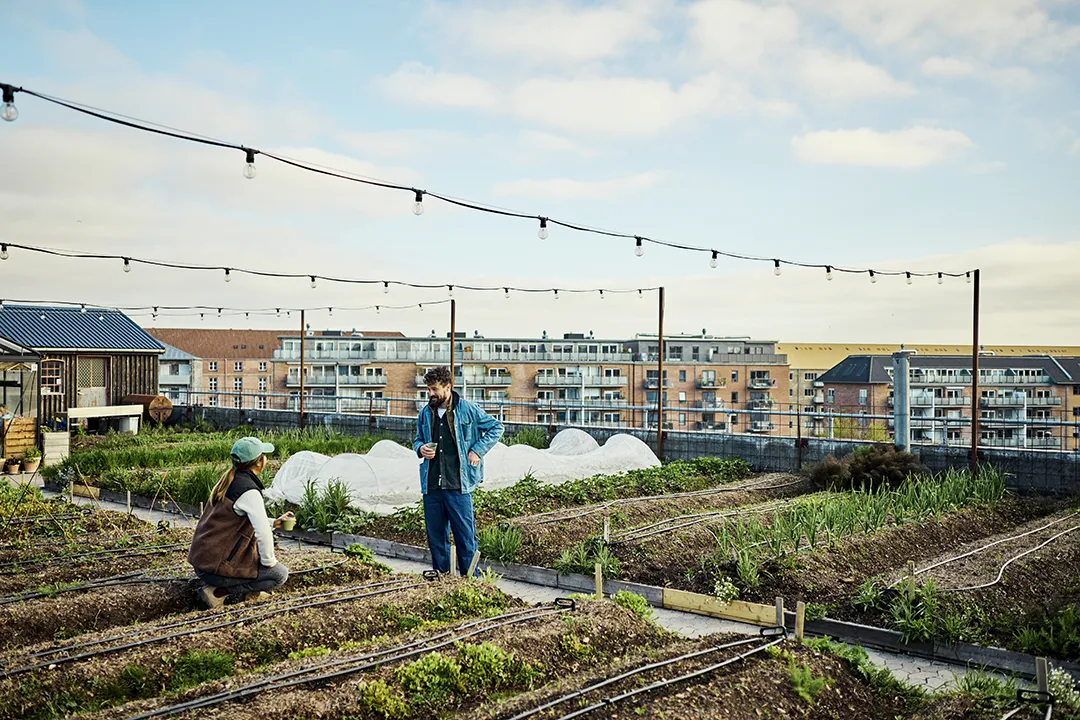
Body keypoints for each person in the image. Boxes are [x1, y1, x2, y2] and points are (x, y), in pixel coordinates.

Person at [414, 366, 503, 576]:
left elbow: (496, 427)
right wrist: (420, 448)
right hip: (432, 485)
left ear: (448, 387)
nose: (431, 394)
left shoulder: (468, 409)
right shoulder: (426, 413)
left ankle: (472, 581)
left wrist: (477, 450)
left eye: (434, 389)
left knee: (465, 537)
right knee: (436, 538)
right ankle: (442, 581)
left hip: (458, 485)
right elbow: (418, 438)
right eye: (428, 389)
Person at [188, 436, 294, 609]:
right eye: (264, 455)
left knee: (258, 560)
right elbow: (262, 534)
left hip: (204, 562)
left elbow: (239, 520)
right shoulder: (249, 491)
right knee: (279, 575)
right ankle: (217, 593)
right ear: (259, 462)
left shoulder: (230, 480)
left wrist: (275, 522)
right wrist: (269, 562)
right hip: (215, 569)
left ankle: (251, 591)